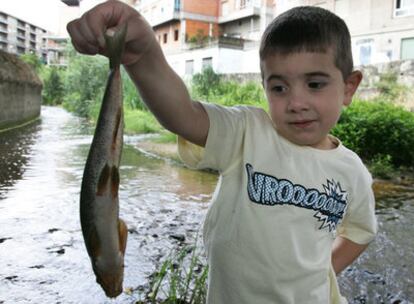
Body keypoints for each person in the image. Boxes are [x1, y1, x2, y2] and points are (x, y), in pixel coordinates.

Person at [67, 2, 377, 303]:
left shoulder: (353, 173)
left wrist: (323, 271)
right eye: (279, 88)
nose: (296, 102)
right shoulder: (246, 132)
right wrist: (143, 54)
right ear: (265, 85)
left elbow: (361, 231)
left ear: (349, 87)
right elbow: (182, 114)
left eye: (315, 84)